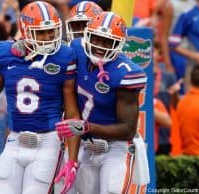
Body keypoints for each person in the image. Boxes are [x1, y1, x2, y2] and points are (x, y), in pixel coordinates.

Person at [0, 1, 81, 194]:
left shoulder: (64, 56)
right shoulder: (5, 54)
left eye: (51, 31)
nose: (48, 37)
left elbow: (72, 113)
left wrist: (72, 160)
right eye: (40, 32)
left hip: (47, 142)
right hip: (14, 141)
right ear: (25, 30)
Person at [55, 11, 150, 194]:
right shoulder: (76, 49)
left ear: (119, 44)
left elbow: (128, 129)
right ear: (87, 35)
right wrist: (19, 48)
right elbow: (50, 54)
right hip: (86, 146)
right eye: (96, 38)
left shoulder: (126, 73)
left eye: (108, 42)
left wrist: (86, 127)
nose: (100, 46)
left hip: (116, 148)